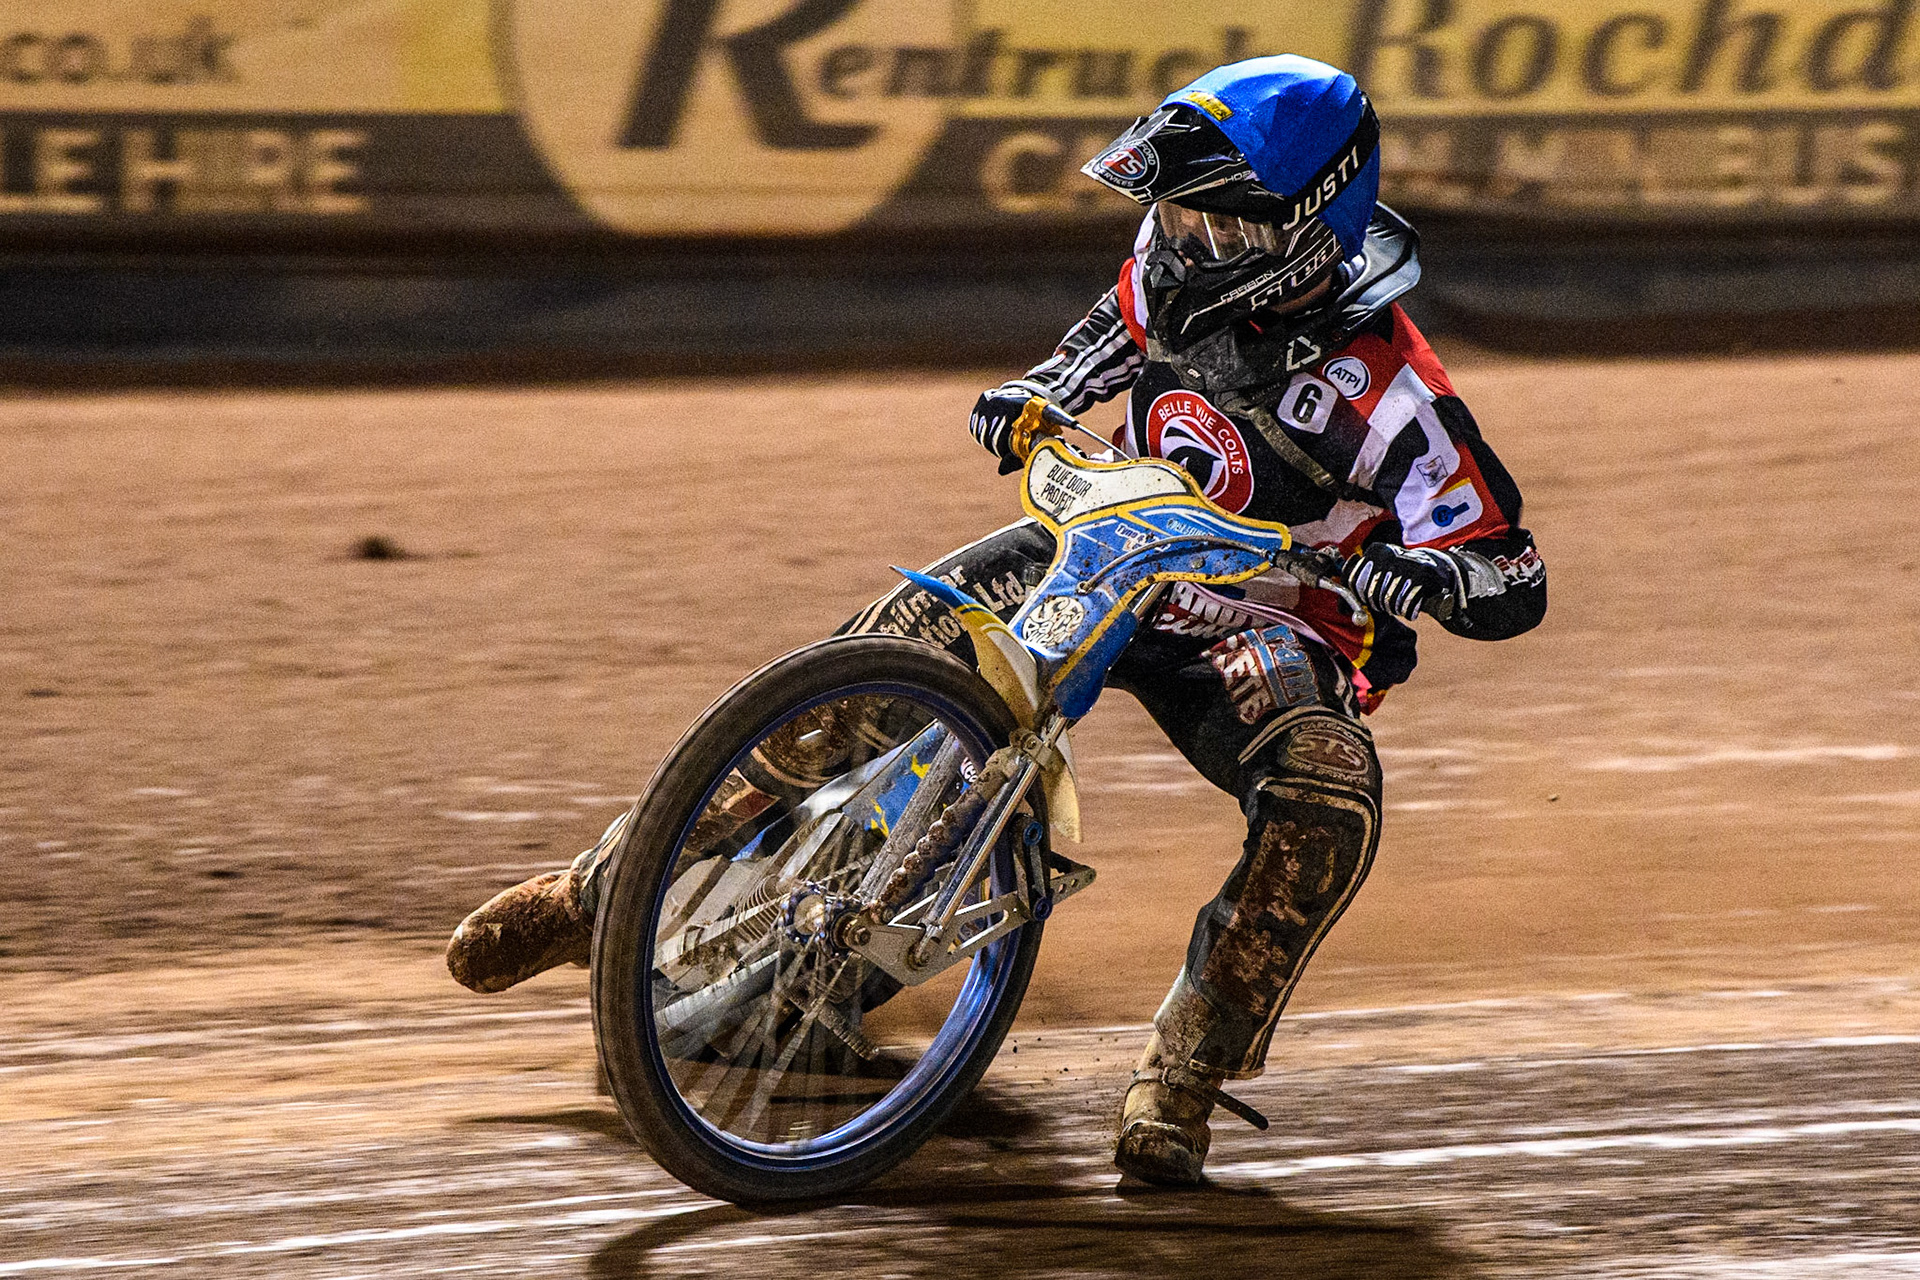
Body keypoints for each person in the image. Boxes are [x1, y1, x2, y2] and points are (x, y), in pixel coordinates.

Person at [444, 55, 1546, 1187]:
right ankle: (599, 893)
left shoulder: (1396, 395)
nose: (1184, 243)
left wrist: (1424, 580)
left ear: (1310, 234)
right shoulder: (1161, 271)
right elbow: (1088, 355)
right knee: (856, 676)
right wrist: (1034, 397)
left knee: (1328, 792)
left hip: (1260, 622)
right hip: (1107, 544)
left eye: (1220, 228)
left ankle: (1184, 1072)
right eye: (1174, 214)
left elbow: (1513, 572)